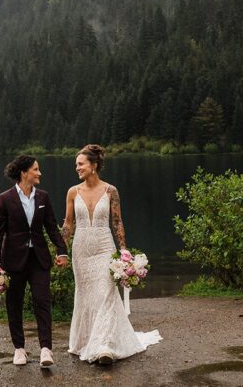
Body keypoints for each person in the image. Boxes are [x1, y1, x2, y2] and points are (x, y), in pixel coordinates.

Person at [62, 144, 161, 364]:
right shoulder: (72, 191)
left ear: (93, 165)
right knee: (86, 296)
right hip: (81, 251)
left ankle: (105, 346)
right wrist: (61, 251)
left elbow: (117, 221)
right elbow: (68, 224)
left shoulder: (110, 191)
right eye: (76, 165)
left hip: (104, 248)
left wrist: (124, 251)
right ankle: (86, 341)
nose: (77, 168)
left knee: (106, 294)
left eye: (80, 164)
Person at [0, 154, 69, 368]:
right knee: (13, 304)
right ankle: (19, 349)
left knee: (42, 301)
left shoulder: (43, 197)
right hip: (12, 261)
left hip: (39, 259)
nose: (39, 173)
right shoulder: (4, 199)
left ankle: (46, 349)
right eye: (35, 169)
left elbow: (51, 227)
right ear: (24, 173)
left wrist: (62, 251)